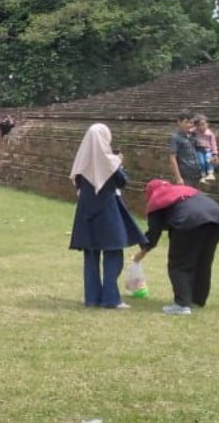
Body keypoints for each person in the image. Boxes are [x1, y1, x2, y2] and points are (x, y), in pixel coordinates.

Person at [69, 123, 148, 309]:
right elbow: (122, 181)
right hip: (107, 210)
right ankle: (110, 298)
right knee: (113, 253)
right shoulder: (110, 161)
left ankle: (92, 298)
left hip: (87, 211)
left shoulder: (81, 162)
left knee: (91, 257)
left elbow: (78, 183)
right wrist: (118, 162)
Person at [132, 179, 219, 316]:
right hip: (217, 218)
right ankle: (197, 300)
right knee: (203, 262)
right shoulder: (184, 190)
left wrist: (142, 252)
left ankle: (182, 304)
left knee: (179, 265)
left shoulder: (156, 200)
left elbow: (154, 234)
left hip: (188, 220)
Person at [169, 111, 202, 188]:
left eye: (190, 123)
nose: (189, 125)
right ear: (179, 122)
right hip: (185, 176)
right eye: (186, 122)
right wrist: (178, 178)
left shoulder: (193, 135)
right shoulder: (176, 138)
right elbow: (172, 158)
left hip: (197, 173)